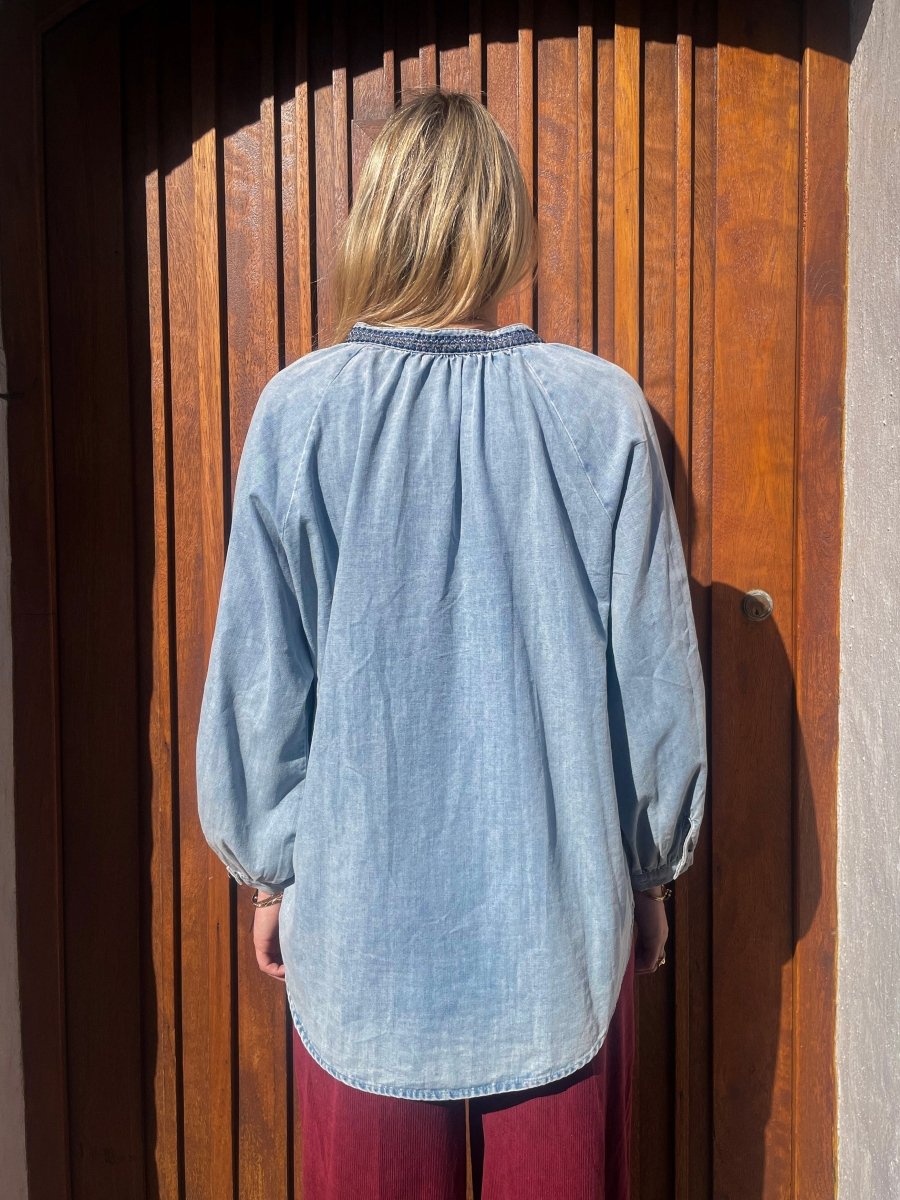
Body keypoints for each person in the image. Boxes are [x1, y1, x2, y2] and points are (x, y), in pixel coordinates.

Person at [196, 86, 707, 1200]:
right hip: (563, 928)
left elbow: (258, 688)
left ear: (377, 218)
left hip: (363, 941)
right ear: (505, 222)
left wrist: (269, 872)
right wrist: (649, 872)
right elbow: (654, 690)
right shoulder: (602, 412)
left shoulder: (300, 414)